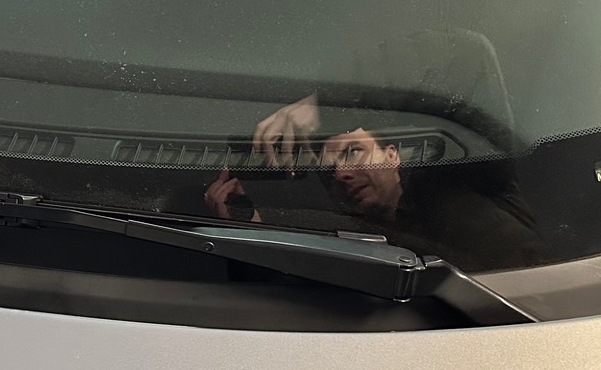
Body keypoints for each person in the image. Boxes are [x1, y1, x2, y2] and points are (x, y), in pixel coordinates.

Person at [203, 33, 548, 270]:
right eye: (328, 172)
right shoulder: (351, 250)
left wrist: (326, 104)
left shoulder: (463, 175)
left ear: (393, 155)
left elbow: (468, 55)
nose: (340, 173)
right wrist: (255, 234)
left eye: (352, 152)